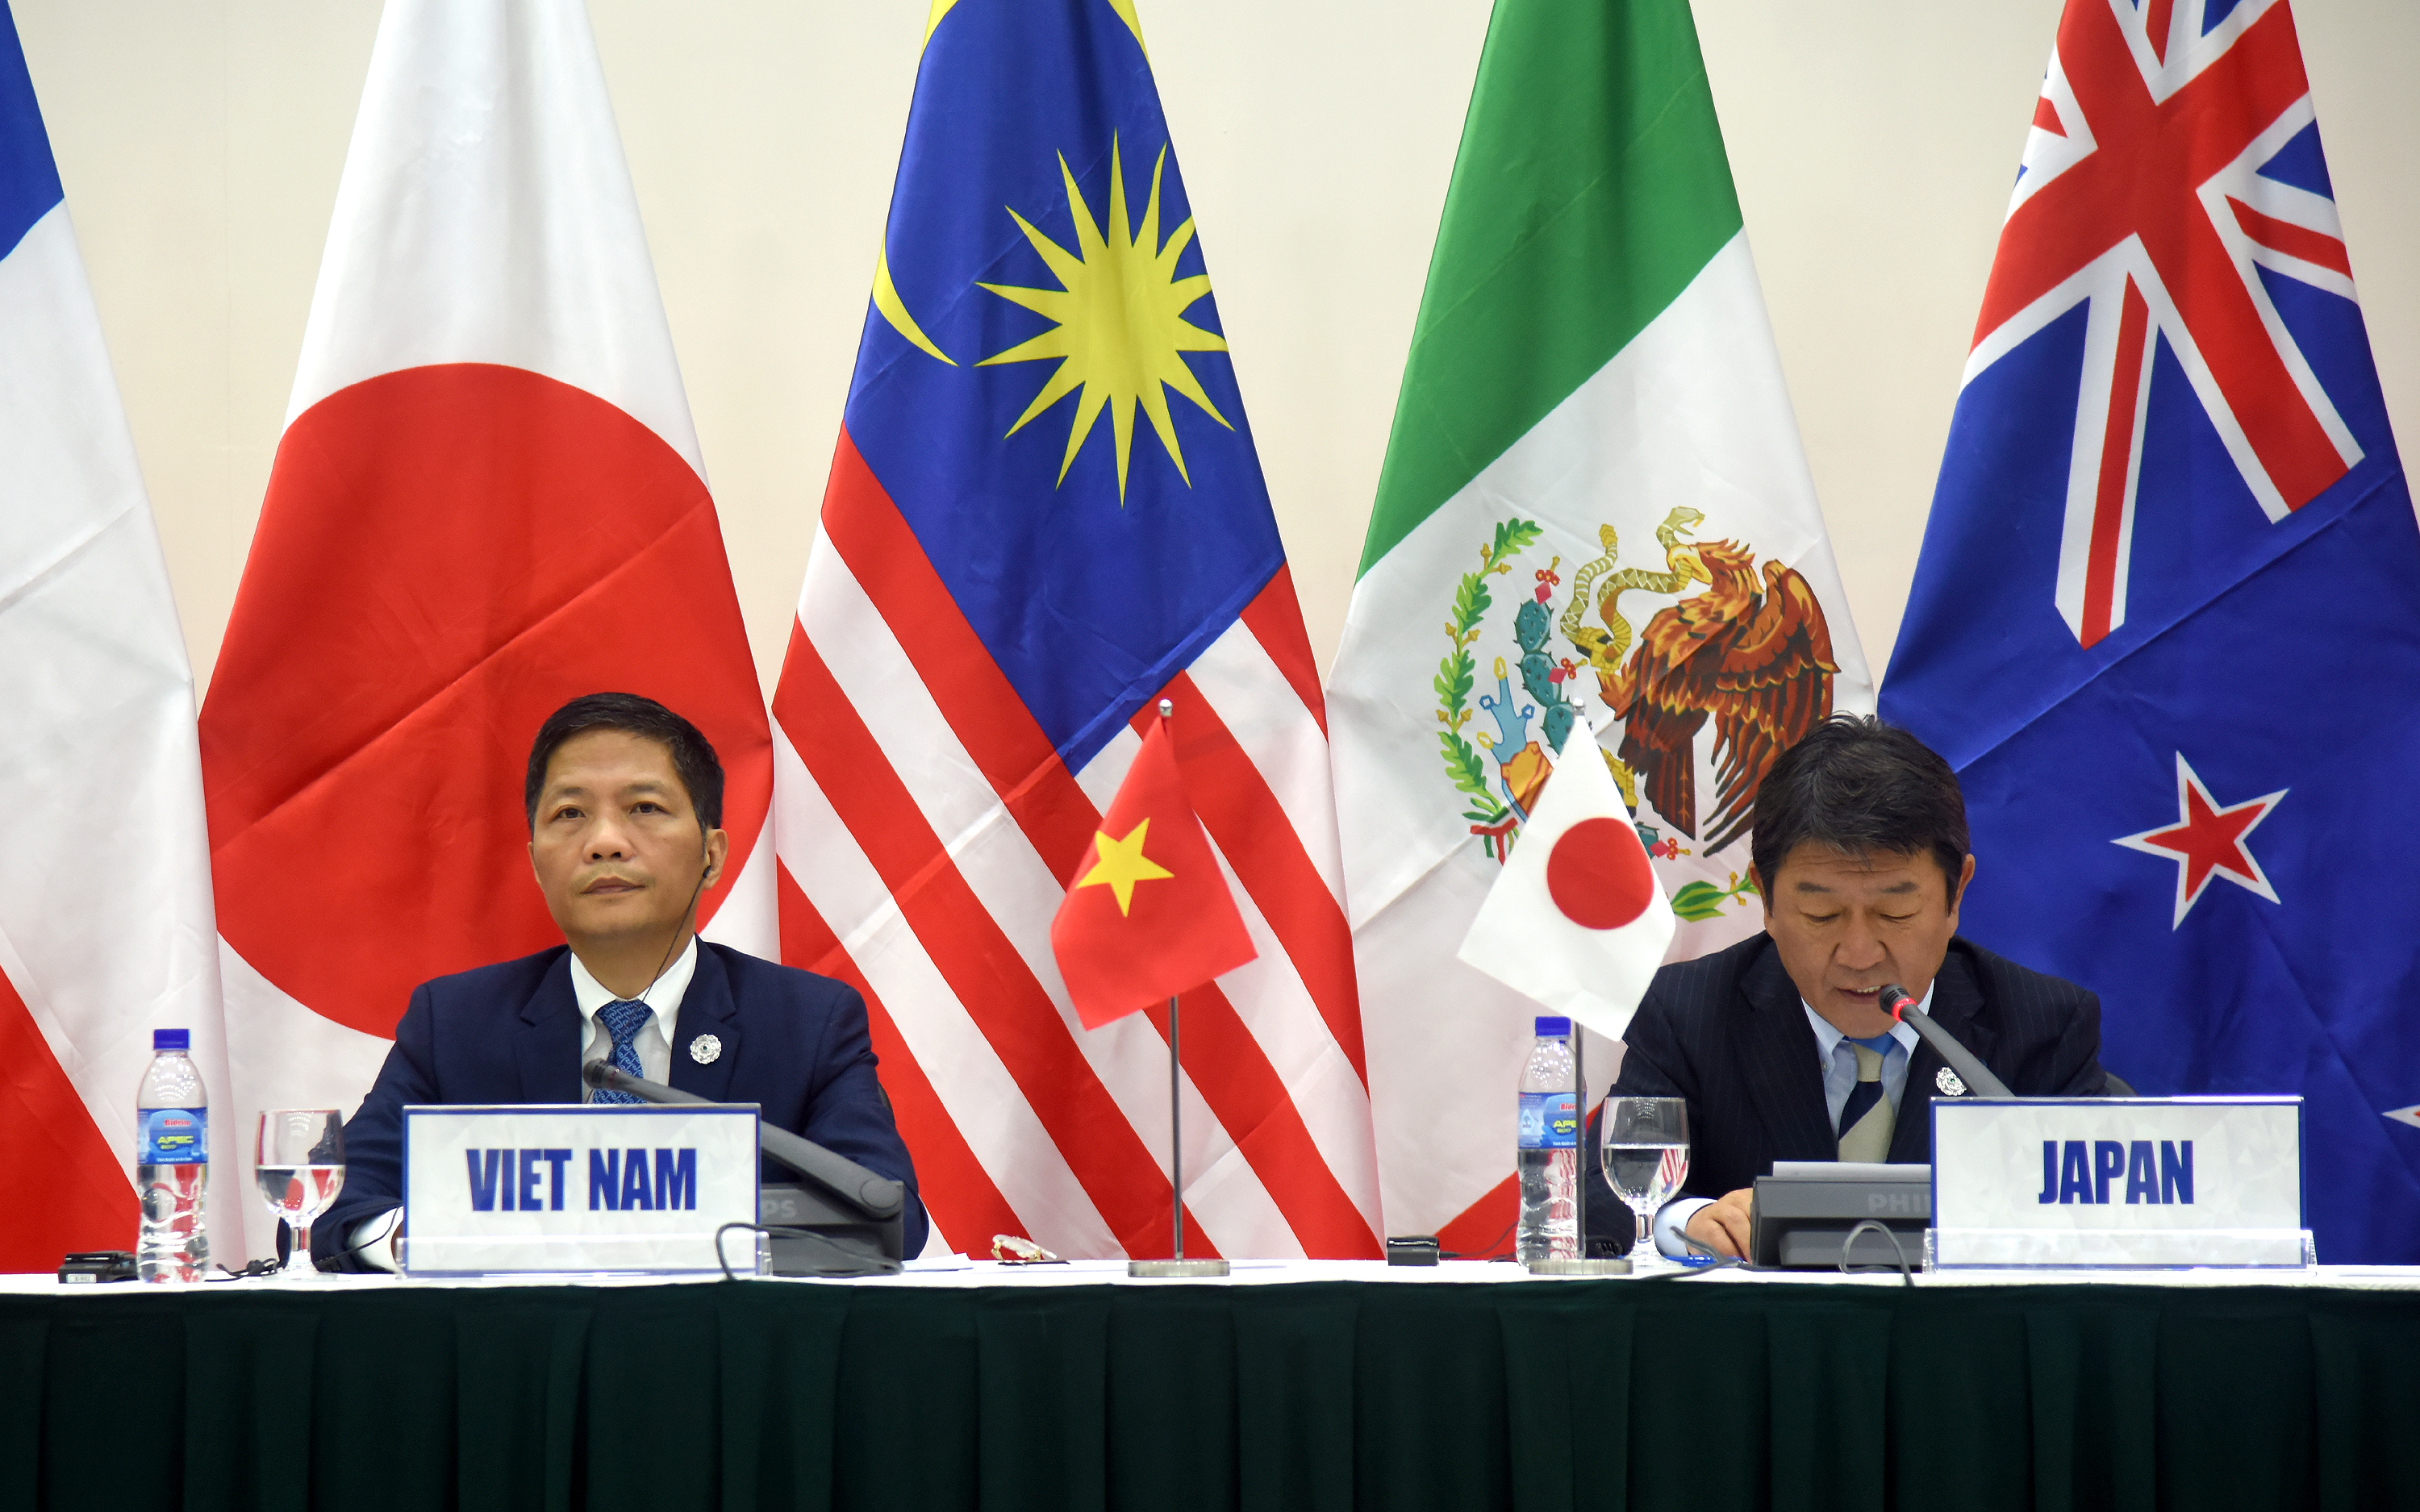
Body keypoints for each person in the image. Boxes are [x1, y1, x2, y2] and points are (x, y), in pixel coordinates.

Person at [314, 692, 927, 1269]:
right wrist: (438, 1240)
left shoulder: (806, 1023)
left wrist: (685, 1236)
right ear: (535, 862)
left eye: (644, 808)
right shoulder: (455, 1024)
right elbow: (335, 1207)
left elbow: (886, 1216)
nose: (604, 842)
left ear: (712, 855)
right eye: (570, 813)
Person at [1592, 714, 2105, 1260]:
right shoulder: (1688, 1013)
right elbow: (1602, 1201)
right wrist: (1686, 1220)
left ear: (1956, 895)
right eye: (1822, 914)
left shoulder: (2043, 1026)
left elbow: (2104, 1219)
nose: (1860, 955)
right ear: (1766, 898)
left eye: (1894, 913)